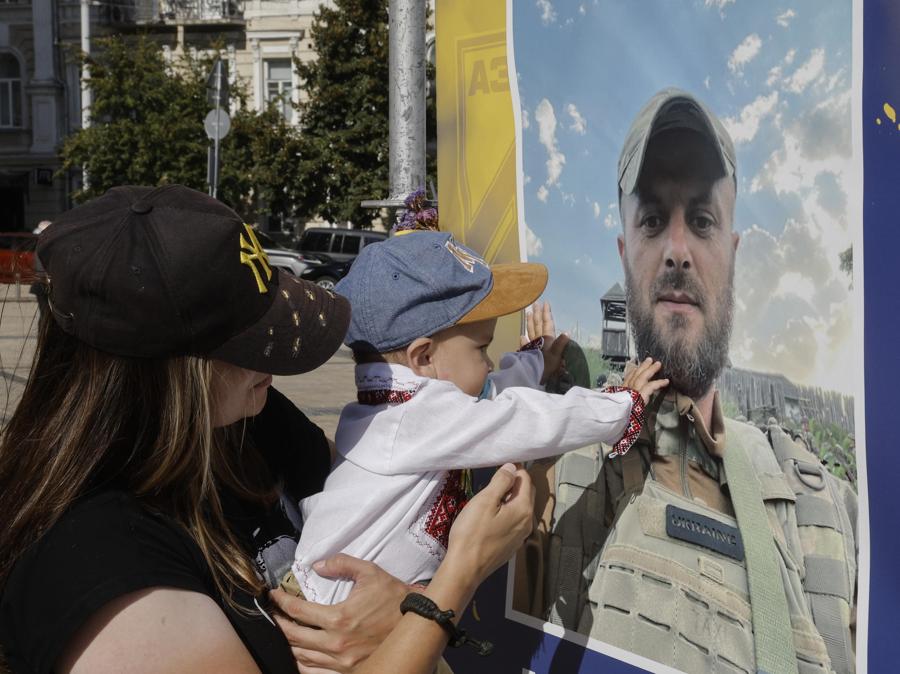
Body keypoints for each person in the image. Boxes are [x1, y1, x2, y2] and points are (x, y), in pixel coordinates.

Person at [0, 185, 536, 674]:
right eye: (256, 345)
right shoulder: (99, 569)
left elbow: (374, 511)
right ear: (173, 374)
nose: (274, 367)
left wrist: (402, 600)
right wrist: (452, 582)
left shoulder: (243, 423)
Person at [527, 89, 859, 674]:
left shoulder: (825, 515)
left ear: (732, 253)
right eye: (654, 220)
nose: (678, 250)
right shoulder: (547, 473)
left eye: (702, 221)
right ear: (626, 252)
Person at [291, 228, 667, 605]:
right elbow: (519, 418)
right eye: (482, 348)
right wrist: (622, 404)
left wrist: (535, 363)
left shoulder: (391, 406)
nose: (489, 362)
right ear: (423, 358)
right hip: (335, 623)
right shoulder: (415, 420)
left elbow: (484, 398)